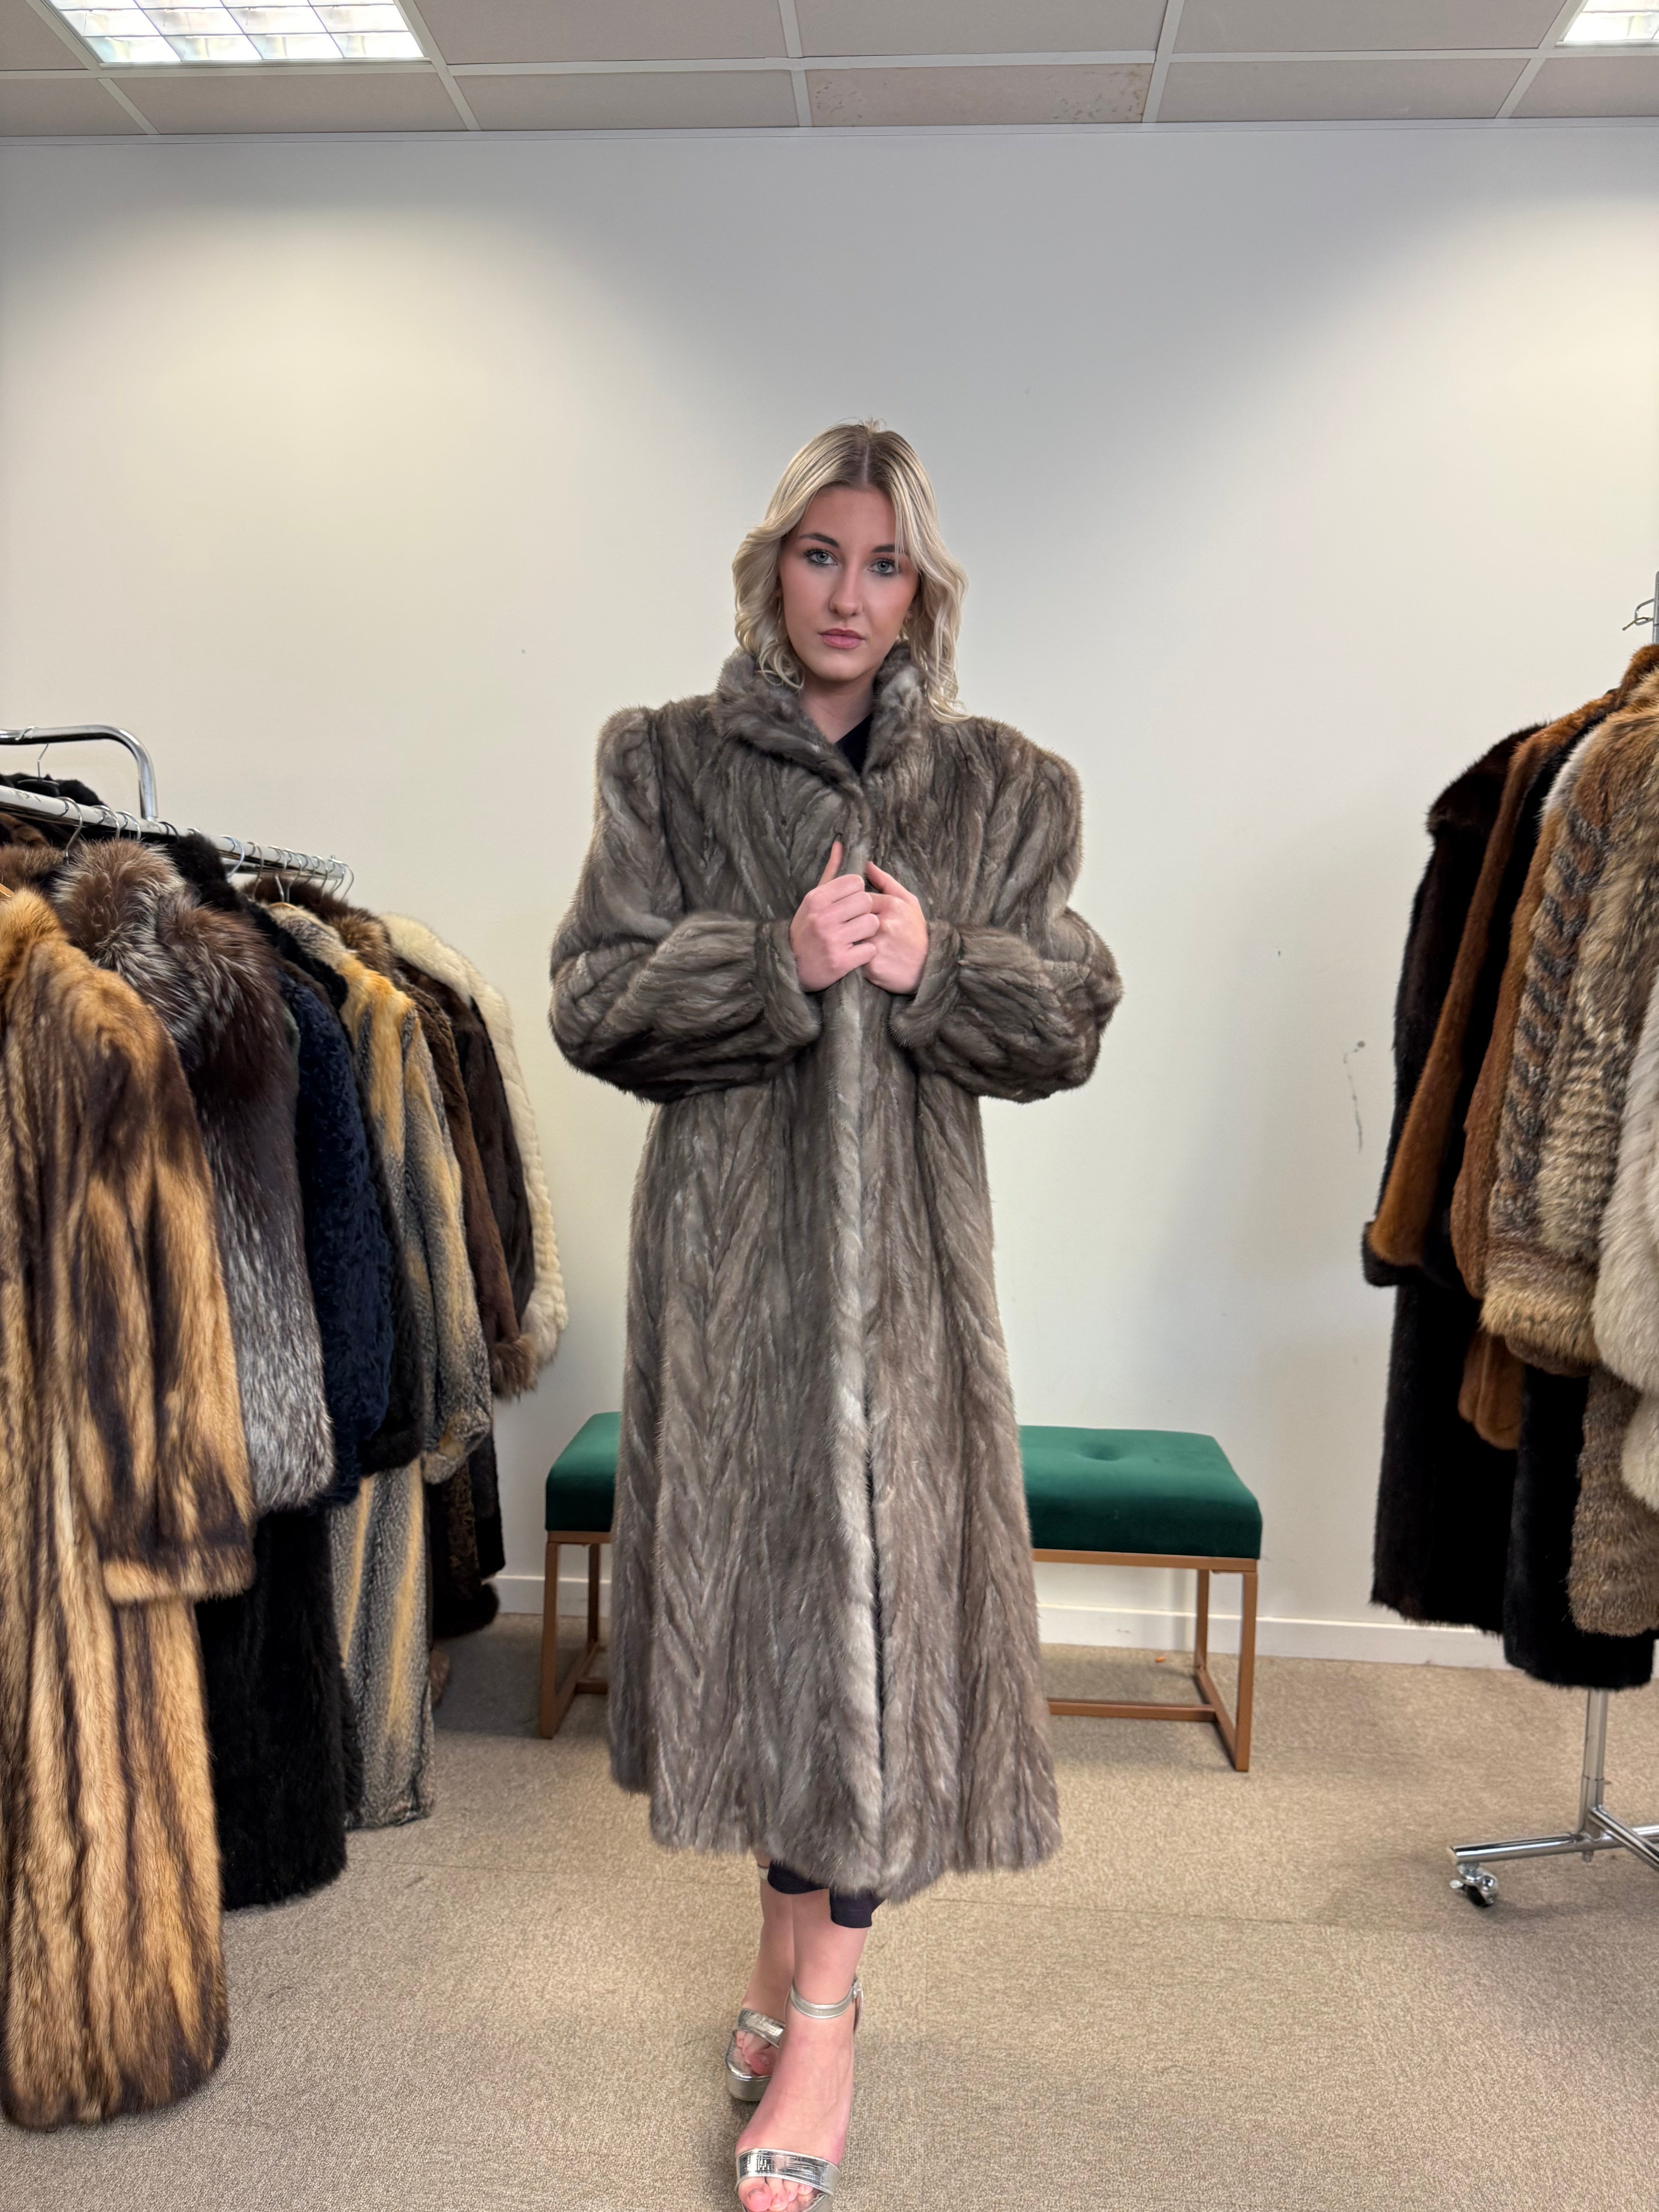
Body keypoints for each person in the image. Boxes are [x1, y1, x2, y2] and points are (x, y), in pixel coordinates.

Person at [550, 421, 1121, 2210]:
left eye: (884, 563)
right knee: (772, 1633)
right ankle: (779, 1949)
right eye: (821, 554)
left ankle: (828, 2019)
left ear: (922, 586)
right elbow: (590, 1002)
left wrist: (939, 966)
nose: (849, 595)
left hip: (908, 1306)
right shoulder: (662, 763)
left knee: (875, 1637)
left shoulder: (1007, 788)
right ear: (773, 566)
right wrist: (768, 963)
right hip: (731, 1293)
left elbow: (1073, 1019)